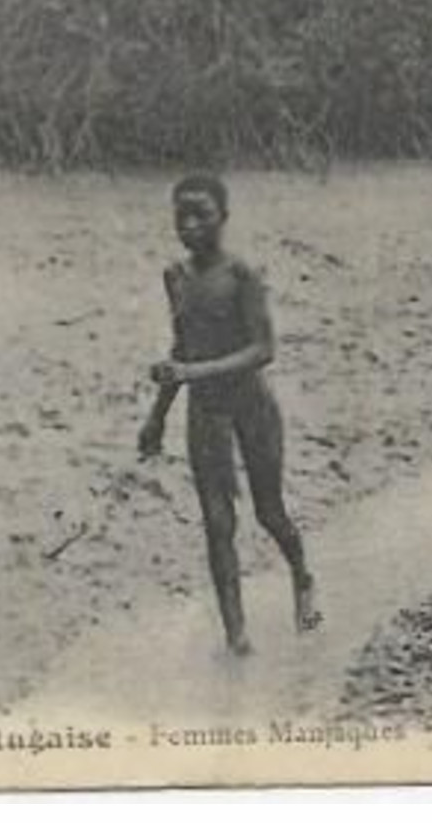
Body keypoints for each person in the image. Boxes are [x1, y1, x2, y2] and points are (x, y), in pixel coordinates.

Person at [138, 174, 321, 655]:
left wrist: (192, 370)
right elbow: (182, 346)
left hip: (251, 404)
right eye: (182, 216)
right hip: (205, 411)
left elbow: (263, 349)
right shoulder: (174, 278)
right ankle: (236, 634)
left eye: (202, 214)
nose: (191, 225)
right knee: (217, 524)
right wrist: (156, 417)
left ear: (224, 217)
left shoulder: (242, 276)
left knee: (269, 512)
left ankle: (302, 576)